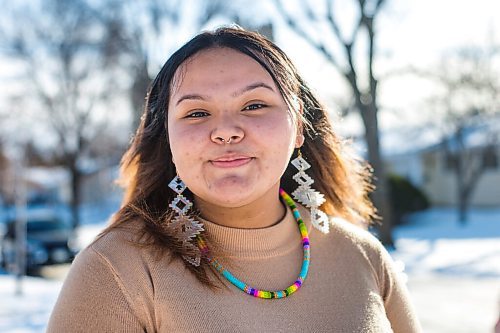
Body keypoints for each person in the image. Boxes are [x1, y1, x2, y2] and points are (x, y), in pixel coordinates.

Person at [47, 26, 422, 332]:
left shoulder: (363, 255)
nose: (225, 131)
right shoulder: (116, 270)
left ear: (299, 130)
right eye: (196, 113)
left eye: (254, 105)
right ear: (169, 140)